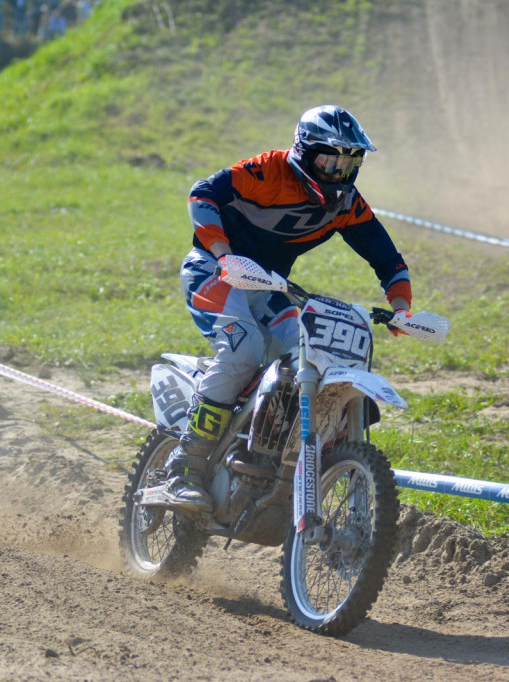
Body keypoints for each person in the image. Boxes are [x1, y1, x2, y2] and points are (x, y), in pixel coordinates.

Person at [161, 105, 412, 511]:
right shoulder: (267, 171)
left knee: (305, 359)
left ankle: (265, 451)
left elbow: (388, 260)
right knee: (242, 352)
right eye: (330, 159)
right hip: (214, 270)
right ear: (304, 151)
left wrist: (401, 309)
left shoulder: (347, 204)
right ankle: (183, 467)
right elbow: (202, 193)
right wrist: (224, 254)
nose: (338, 172)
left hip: (269, 285)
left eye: (349, 162)